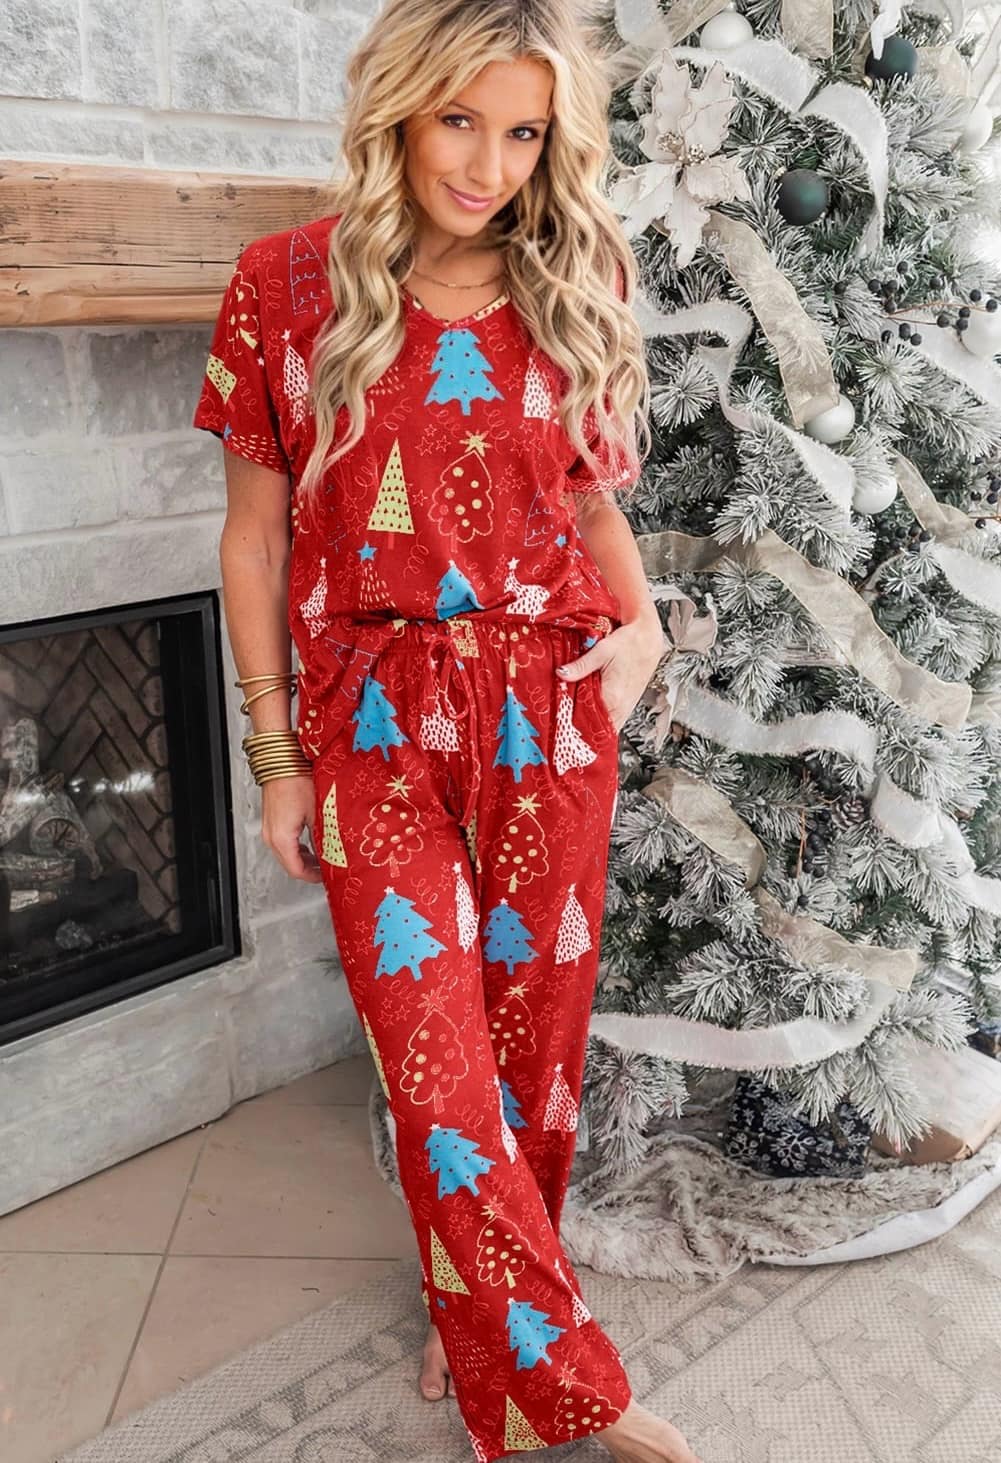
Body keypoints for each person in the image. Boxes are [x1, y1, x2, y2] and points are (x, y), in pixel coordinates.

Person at [192, 3, 703, 1459]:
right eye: (458, 121)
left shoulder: (575, 273)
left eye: (523, 130)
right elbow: (251, 540)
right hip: (367, 717)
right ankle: (574, 1396)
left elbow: (591, 494)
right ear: (401, 112)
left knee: (532, 1051)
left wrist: (645, 629)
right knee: (435, 1057)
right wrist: (275, 754)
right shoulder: (285, 286)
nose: (486, 162)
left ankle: (479, 1310)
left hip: (547, 706)